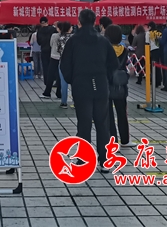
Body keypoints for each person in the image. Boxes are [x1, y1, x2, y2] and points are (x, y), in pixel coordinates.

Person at [60, 9, 117, 172]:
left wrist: (72, 79)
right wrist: (105, 78)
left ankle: (83, 158)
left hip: (81, 85)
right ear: (95, 21)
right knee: (102, 123)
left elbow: (64, 65)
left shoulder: (73, 41)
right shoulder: (103, 41)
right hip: (100, 85)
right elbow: (113, 64)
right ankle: (104, 161)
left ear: (79, 21)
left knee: (84, 123)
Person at [104, 24, 133, 146]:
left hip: (106, 84)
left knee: (109, 115)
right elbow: (128, 66)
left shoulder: (104, 49)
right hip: (121, 85)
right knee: (122, 113)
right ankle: (125, 140)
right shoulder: (124, 50)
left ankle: (113, 140)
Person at [42, 22, 65, 100]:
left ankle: (47, 92)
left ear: (58, 28)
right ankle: (59, 92)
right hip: (62, 57)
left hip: (54, 56)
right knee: (60, 75)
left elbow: (51, 44)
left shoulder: (54, 35)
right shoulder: (67, 36)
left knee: (50, 74)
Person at [56, 22, 73, 108]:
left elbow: (58, 50)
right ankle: (75, 101)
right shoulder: (74, 38)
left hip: (63, 61)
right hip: (73, 62)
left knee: (63, 83)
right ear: (69, 28)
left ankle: (64, 102)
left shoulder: (60, 38)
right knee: (74, 83)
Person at [36, 16, 56, 84]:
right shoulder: (53, 29)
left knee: (45, 66)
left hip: (43, 50)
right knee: (52, 66)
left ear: (40, 23)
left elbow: (39, 42)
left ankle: (46, 81)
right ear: (48, 22)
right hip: (52, 50)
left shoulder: (39, 31)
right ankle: (53, 80)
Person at [146, 22, 162, 87]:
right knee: (158, 66)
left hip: (152, 50)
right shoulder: (159, 32)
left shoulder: (148, 33)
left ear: (150, 27)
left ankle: (154, 81)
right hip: (159, 50)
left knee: (153, 67)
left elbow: (147, 42)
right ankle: (159, 81)